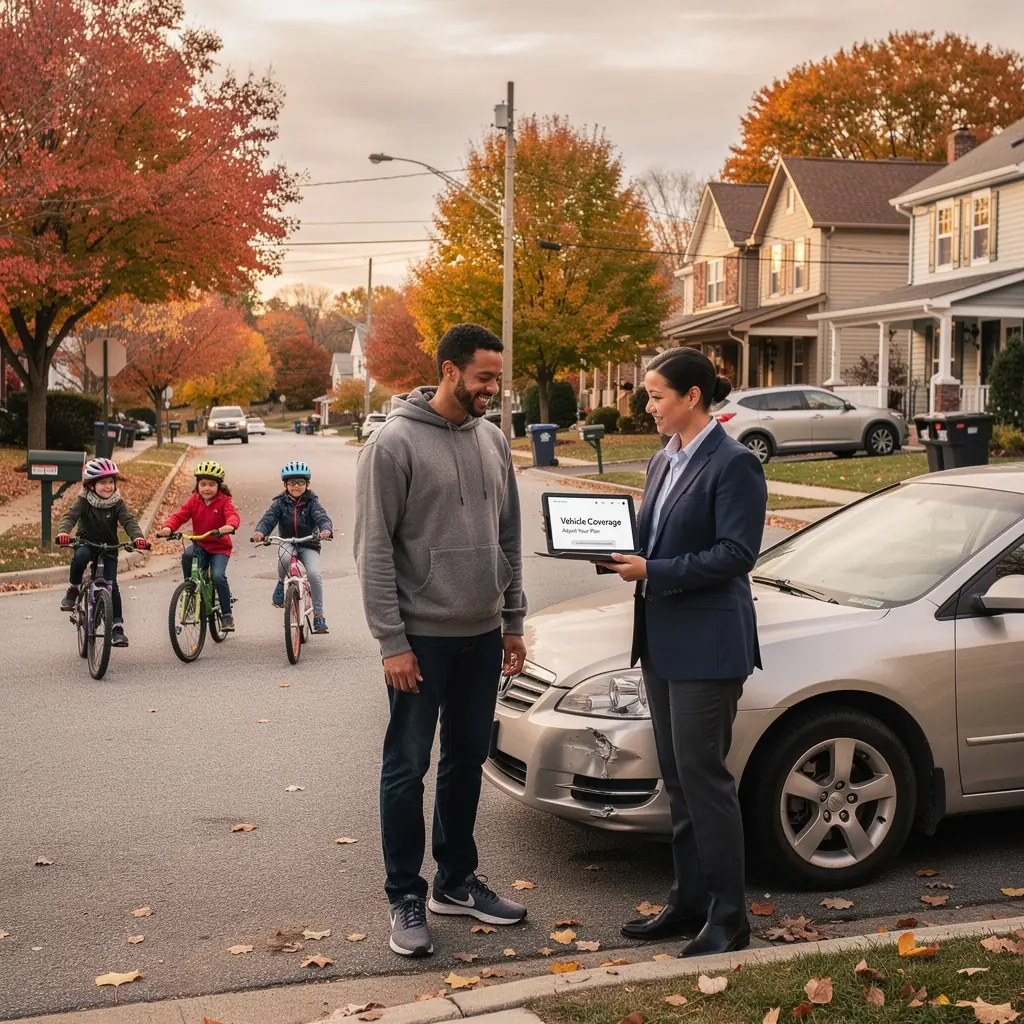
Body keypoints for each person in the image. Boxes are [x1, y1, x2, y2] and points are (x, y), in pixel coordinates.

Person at [354, 323, 528, 958]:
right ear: (451, 371)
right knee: (406, 768)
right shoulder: (392, 444)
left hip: (483, 635)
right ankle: (405, 893)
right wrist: (390, 642)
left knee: (465, 761)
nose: (492, 389)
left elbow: (507, 535)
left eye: (496, 379)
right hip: (420, 641)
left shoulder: (492, 439)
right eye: (484, 378)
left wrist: (511, 620)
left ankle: (454, 882)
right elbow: (372, 551)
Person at [601, 347, 767, 959]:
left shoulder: (734, 464)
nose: (647, 406)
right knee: (677, 778)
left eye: (655, 396)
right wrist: (605, 548)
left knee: (706, 781)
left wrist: (653, 567)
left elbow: (735, 554)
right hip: (663, 642)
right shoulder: (662, 460)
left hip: (709, 644)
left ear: (691, 397)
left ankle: (731, 917)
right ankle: (690, 900)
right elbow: (650, 540)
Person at [57, 457, 148, 648]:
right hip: (86, 542)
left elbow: (128, 521)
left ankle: (117, 628)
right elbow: (70, 517)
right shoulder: (83, 501)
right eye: (102, 482)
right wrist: (64, 532)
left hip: (109, 547)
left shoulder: (117, 503)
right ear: (90, 485)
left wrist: (137, 537)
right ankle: (73, 588)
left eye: (111, 482)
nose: (108, 486)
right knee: (80, 557)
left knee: (111, 585)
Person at [156, 460, 240, 631]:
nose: (206, 489)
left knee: (217, 576)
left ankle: (226, 615)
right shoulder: (194, 500)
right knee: (187, 555)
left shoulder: (224, 501)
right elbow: (180, 516)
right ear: (197, 485)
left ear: (219, 486)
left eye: (211, 485)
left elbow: (232, 516)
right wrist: (168, 528)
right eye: (202, 484)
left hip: (219, 547)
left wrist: (228, 527)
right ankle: (190, 588)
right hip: (200, 544)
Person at [251, 461, 333, 634]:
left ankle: (319, 614)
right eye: (292, 482)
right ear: (285, 485)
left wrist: (326, 529)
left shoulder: (312, 502)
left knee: (314, 574)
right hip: (288, 541)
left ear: (307, 484)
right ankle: (281, 584)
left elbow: (322, 517)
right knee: (285, 558)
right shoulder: (279, 503)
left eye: (300, 482)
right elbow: (268, 519)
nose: (296, 486)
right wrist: (260, 532)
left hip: (309, 543)